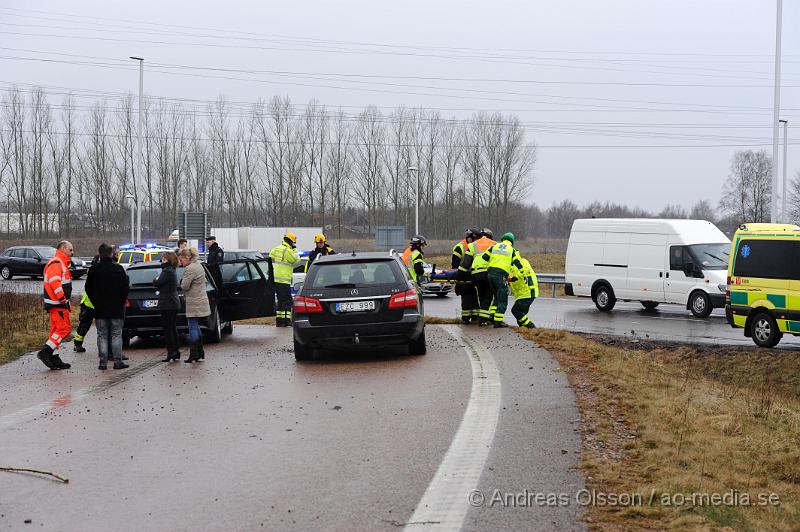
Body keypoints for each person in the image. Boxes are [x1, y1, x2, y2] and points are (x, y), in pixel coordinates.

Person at [85, 243, 130, 370]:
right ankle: (117, 361)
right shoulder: (118, 269)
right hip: (116, 307)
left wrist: (95, 301)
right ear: (111, 254)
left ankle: (103, 362)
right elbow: (125, 288)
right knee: (116, 334)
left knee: (102, 334)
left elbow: (88, 288)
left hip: (100, 308)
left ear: (99, 254)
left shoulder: (94, 269)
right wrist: (121, 301)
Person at [36, 240, 74, 370]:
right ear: (63, 248)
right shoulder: (57, 262)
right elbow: (54, 282)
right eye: (70, 250)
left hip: (57, 303)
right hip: (57, 303)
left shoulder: (59, 262)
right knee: (63, 329)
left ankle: (53, 357)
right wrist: (62, 299)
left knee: (55, 331)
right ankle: (46, 352)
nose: (72, 253)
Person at [480, 232, 525, 328]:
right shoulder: (512, 250)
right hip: (500, 276)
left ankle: (491, 317)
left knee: (496, 297)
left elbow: (484, 257)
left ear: (503, 239)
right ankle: (498, 322)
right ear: (512, 241)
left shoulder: (494, 246)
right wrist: (522, 271)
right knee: (503, 299)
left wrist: (495, 261)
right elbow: (518, 262)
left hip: (490, 274)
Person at [457, 228, 495, 325]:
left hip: (476, 275)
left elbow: (465, 264)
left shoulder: (473, 245)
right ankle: (483, 320)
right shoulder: (495, 244)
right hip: (489, 273)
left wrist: (458, 279)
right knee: (488, 297)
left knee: (482, 296)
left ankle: (482, 319)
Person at [179, 247, 210, 362]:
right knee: (196, 326)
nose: (180, 262)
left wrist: (182, 281)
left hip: (193, 301)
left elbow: (184, 286)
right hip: (201, 300)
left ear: (187, 258)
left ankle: (194, 353)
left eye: (181, 260)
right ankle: (200, 352)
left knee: (192, 326)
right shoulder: (199, 265)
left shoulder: (190, 268)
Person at [268, 232, 301, 327]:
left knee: (280, 301)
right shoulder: (289, 251)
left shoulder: (276, 249)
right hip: (284, 280)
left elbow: (270, 257)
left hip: (276, 280)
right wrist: (295, 250)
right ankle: (286, 320)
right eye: (293, 243)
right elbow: (297, 260)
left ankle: (279, 320)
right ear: (291, 242)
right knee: (287, 301)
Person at [154, 251, 181, 362]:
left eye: (163, 258)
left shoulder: (167, 271)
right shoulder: (171, 270)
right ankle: (175, 351)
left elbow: (157, 282)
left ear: (168, 260)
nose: (162, 260)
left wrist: (155, 279)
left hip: (168, 304)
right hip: (173, 303)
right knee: (172, 328)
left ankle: (171, 352)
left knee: (168, 329)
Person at [452, 228, 480, 324]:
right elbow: (455, 265)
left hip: (474, 276)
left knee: (475, 297)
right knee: (466, 297)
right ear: (470, 238)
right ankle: (466, 318)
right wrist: (458, 279)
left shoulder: (474, 246)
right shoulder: (460, 247)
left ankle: (475, 317)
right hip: (463, 276)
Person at [73, 254, 100, 353]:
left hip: (89, 303)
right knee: (85, 325)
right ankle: (77, 344)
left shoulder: (94, 269)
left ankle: (78, 344)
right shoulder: (95, 270)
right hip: (90, 303)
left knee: (85, 324)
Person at [509, 256, 539, 329]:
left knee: (515, 311)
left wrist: (515, 278)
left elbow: (526, 270)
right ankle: (525, 329)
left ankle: (531, 327)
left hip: (528, 292)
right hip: (522, 294)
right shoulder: (510, 265)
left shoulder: (522, 261)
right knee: (521, 316)